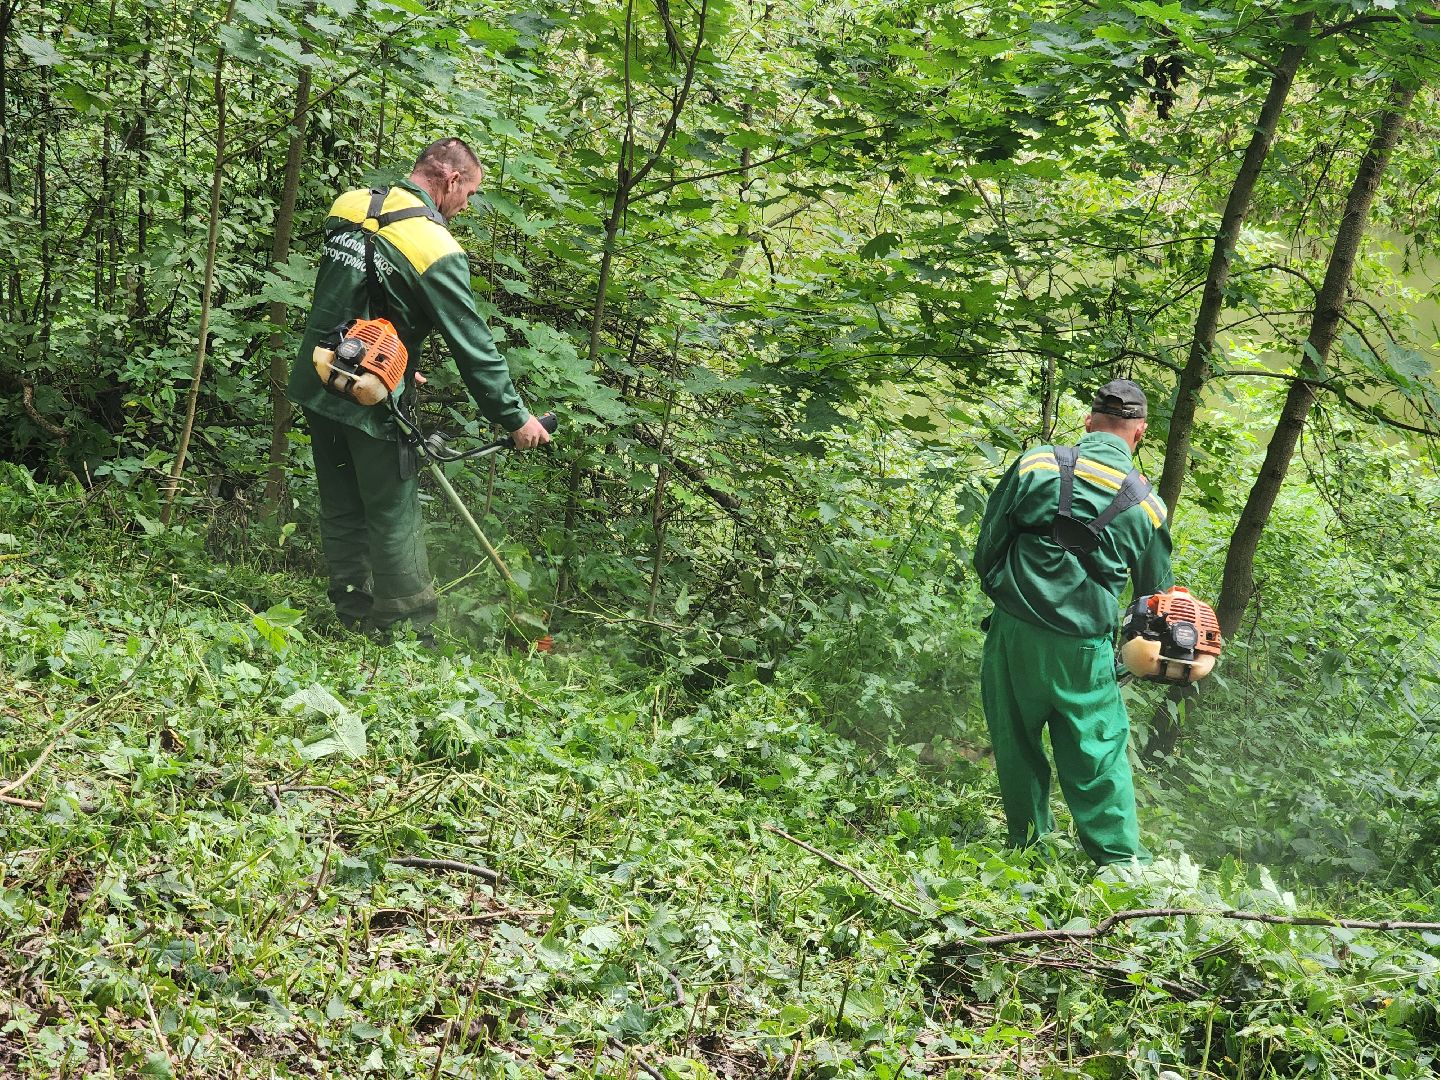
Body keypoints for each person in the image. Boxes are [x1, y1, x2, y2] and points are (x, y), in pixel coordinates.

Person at [287, 137, 550, 634]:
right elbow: (473, 347)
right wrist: (516, 417)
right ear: (451, 179)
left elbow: (358, 292)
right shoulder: (435, 246)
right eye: (468, 194)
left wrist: (404, 358)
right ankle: (405, 625)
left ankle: (352, 610)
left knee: (341, 501)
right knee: (391, 509)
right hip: (371, 396)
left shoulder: (348, 205)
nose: (465, 207)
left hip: (320, 376)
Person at [971, 379, 1173, 864]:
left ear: (1088, 421)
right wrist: (1124, 657)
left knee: (1016, 744)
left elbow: (989, 545)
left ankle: (1027, 849)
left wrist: (1008, 597)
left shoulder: (1038, 464)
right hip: (1083, 648)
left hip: (1015, 633)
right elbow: (1154, 602)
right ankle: (1119, 865)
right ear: (1140, 432)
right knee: (1098, 752)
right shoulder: (1148, 506)